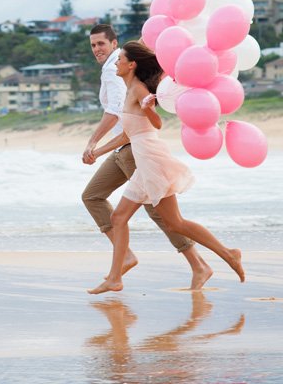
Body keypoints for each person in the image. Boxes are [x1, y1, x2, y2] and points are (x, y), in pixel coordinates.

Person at [87, 41, 245, 294]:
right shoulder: (130, 90)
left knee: (175, 223)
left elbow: (157, 124)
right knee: (119, 218)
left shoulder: (138, 89)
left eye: (120, 59)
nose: (116, 62)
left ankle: (229, 254)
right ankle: (115, 278)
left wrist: (149, 109)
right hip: (143, 158)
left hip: (151, 158)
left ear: (131, 65)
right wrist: (96, 152)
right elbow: (127, 135)